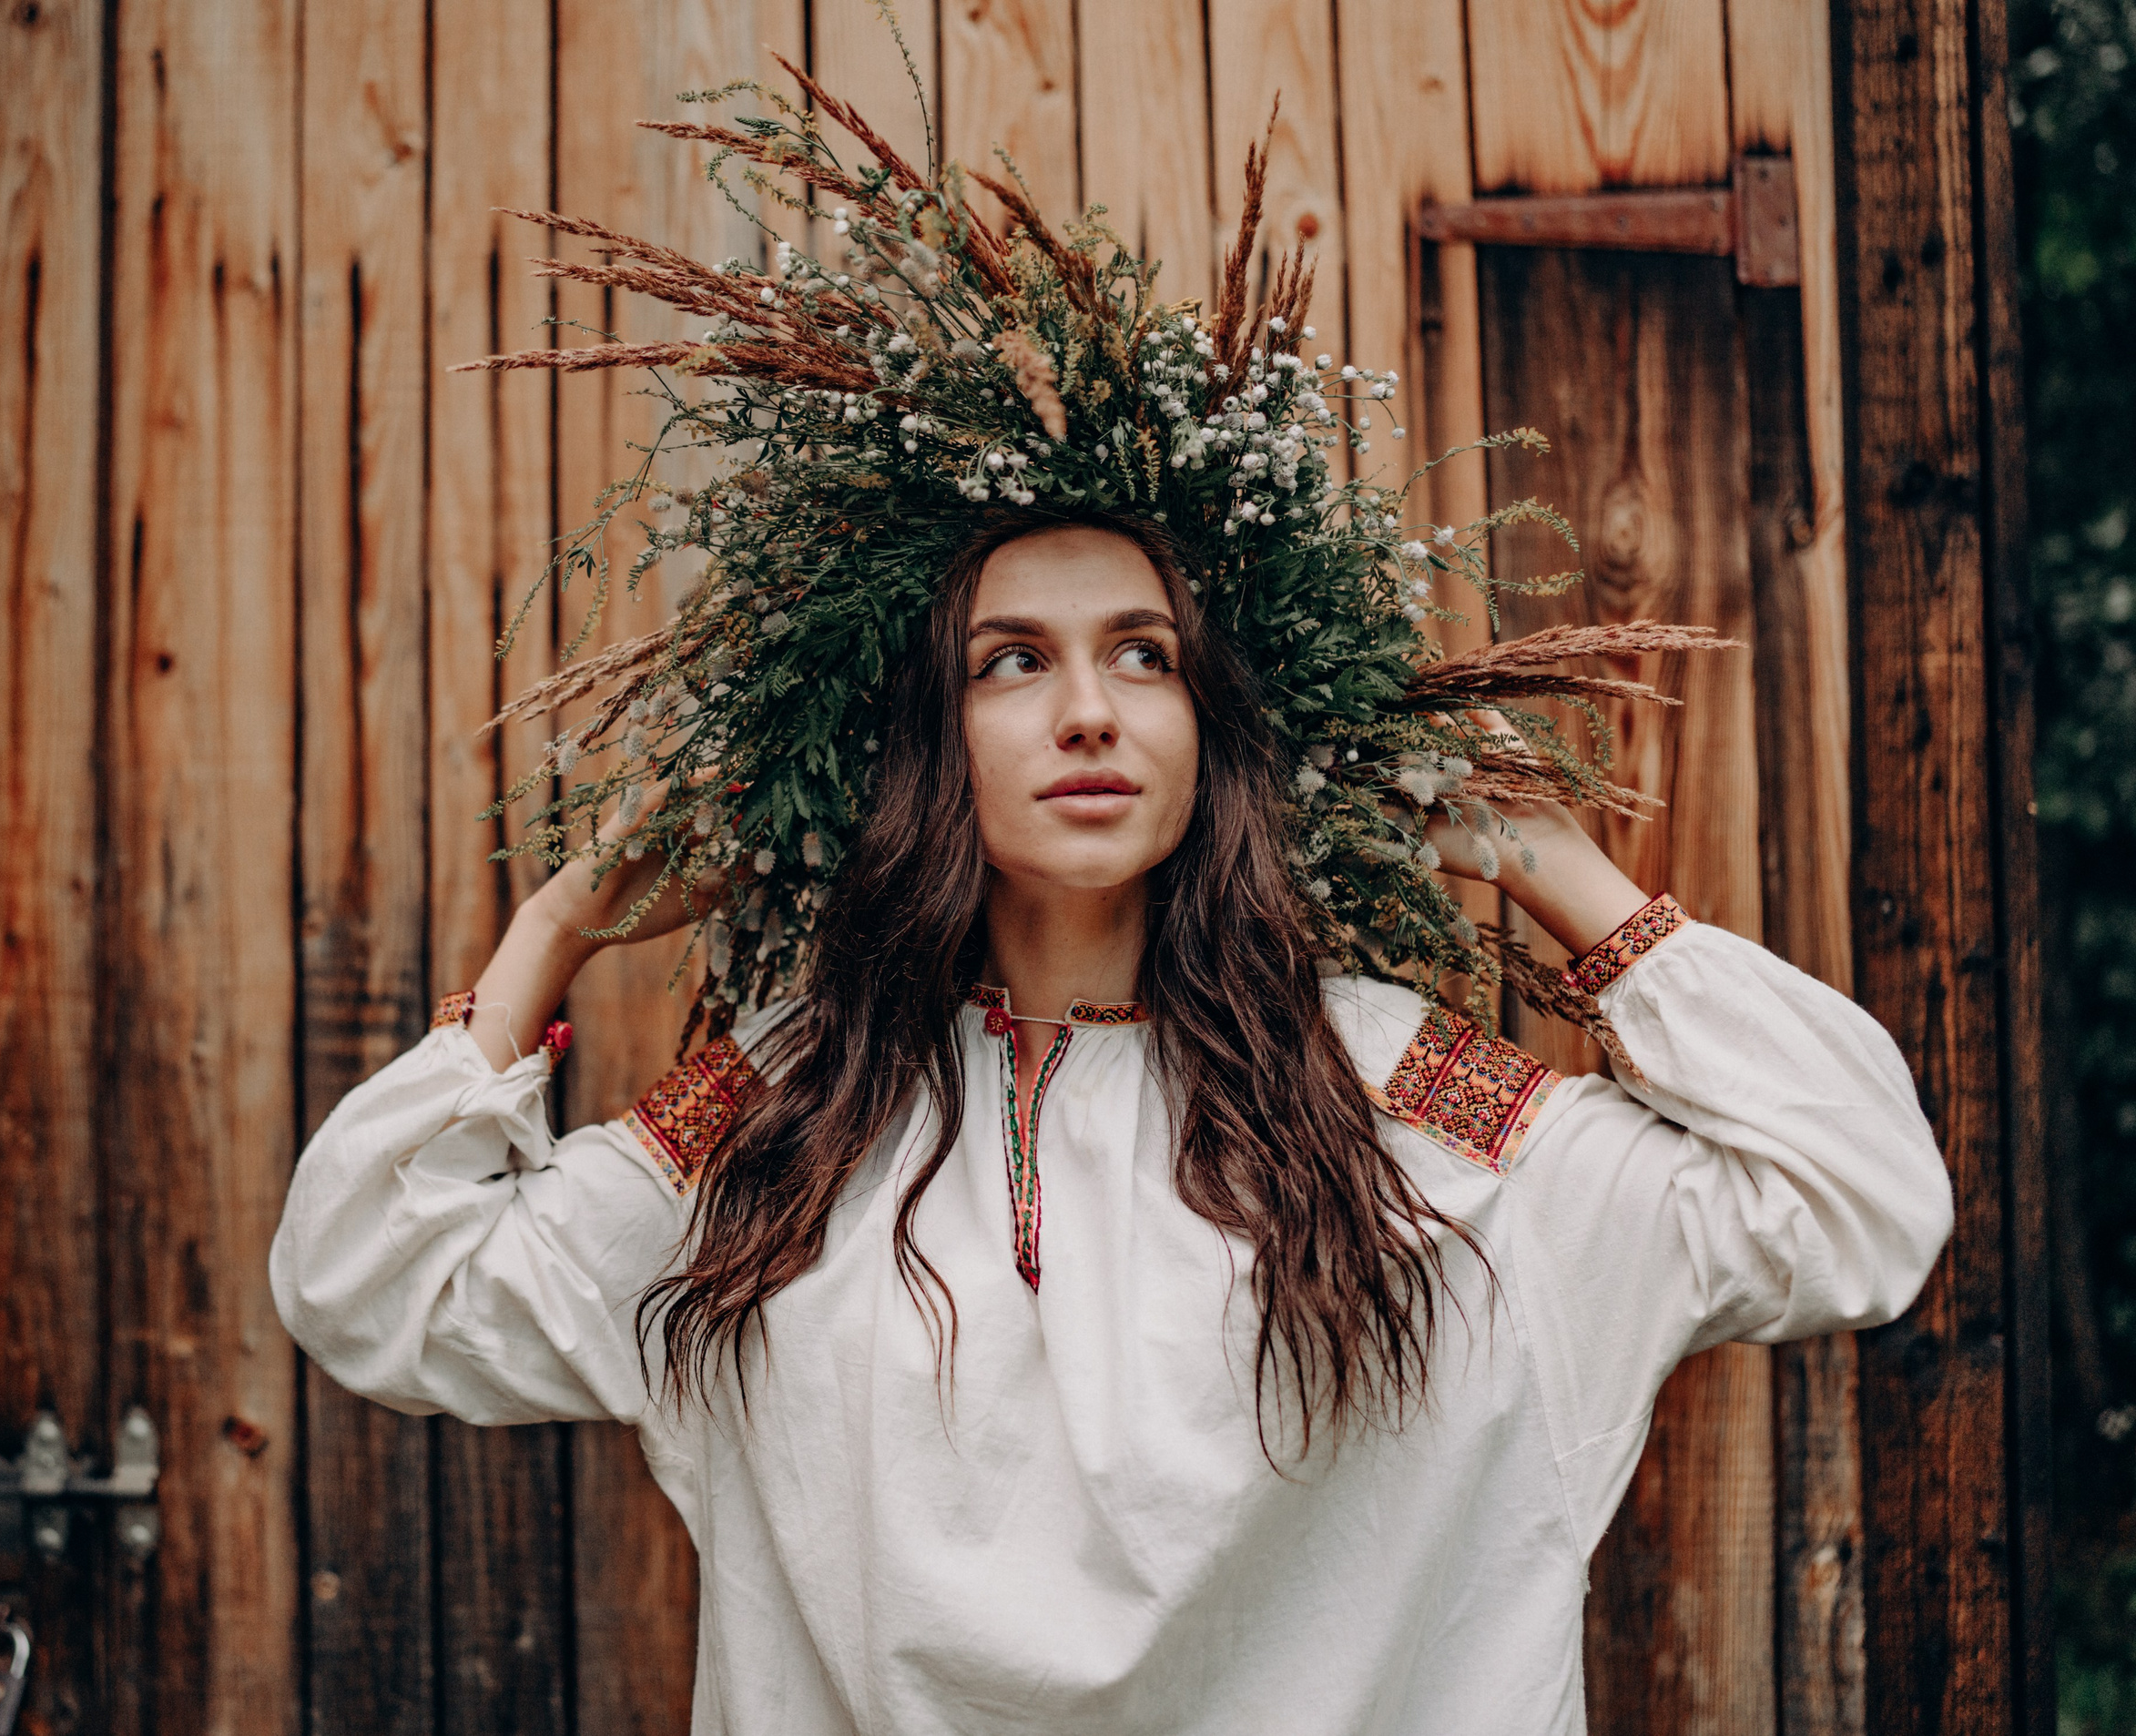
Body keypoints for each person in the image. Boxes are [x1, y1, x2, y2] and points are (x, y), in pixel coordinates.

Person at [270, 63, 1951, 1736]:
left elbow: (1855, 1202)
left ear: (1209, 732)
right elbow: (379, 1285)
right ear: (931, 744)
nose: (1089, 709)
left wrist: (1556, 871)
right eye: (1014, 663)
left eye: (1141, 657)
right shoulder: (796, 1111)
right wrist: (560, 921)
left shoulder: (1398, 1094)